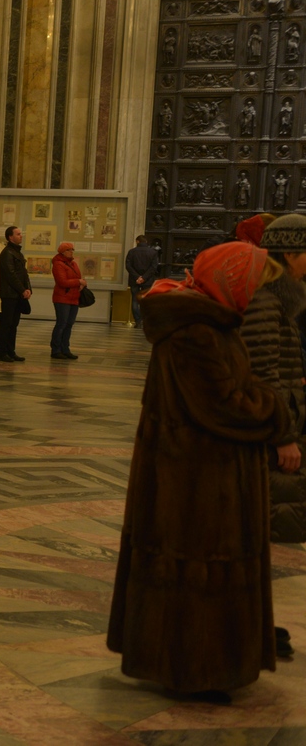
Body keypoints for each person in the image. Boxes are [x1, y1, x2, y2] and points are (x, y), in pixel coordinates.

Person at [108, 241, 293, 705]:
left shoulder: (210, 323)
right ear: (232, 281)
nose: (254, 295)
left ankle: (193, 662)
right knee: (198, 573)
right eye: (252, 284)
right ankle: (196, 668)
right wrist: (276, 413)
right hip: (197, 481)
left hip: (198, 474)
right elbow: (227, 405)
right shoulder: (197, 333)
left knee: (190, 571)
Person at [243, 214, 306, 659]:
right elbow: (263, 375)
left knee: (261, 530)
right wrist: (284, 434)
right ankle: (251, 623)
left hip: (280, 425)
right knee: (255, 527)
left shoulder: (282, 299)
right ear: (290, 254)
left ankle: (258, 620)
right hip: (270, 435)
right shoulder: (266, 302)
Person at [0, 225, 31, 362]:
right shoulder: (7, 253)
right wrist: (22, 289)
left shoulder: (18, 253)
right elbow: (10, 275)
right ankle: (2, 352)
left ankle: (11, 351)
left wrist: (28, 289)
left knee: (14, 324)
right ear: (10, 237)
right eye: (18, 234)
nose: (21, 236)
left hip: (18, 294)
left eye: (20, 234)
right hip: (9, 294)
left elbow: (23, 274)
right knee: (6, 324)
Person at [50, 241, 86, 360]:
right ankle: (56, 350)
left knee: (69, 324)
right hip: (62, 298)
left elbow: (78, 278)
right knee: (61, 324)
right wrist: (78, 282)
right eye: (69, 250)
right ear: (62, 252)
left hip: (74, 298)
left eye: (72, 250)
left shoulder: (73, 264)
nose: (71, 252)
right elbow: (62, 282)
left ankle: (65, 349)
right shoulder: (58, 264)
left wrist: (82, 283)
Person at [124, 235, 159, 329]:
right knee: (146, 301)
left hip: (134, 280)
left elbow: (128, 266)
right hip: (148, 280)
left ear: (137, 241)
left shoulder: (132, 252)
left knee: (135, 300)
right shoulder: (153, 252)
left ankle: (138, 321)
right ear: (146, 241)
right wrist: (144, 278)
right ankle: (146, 321)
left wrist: (137, 277)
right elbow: (154, 267)